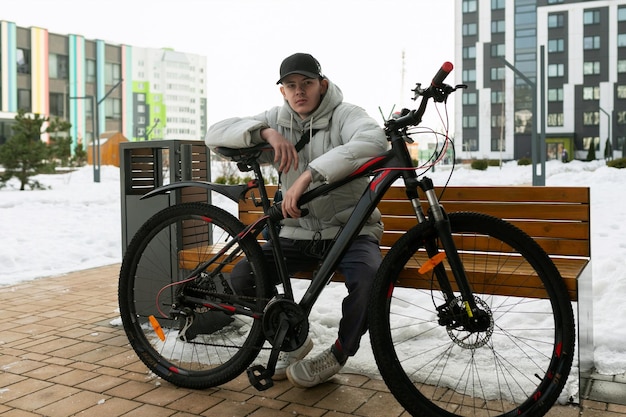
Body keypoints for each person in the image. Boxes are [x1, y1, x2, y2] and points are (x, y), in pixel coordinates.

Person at [204, 52, 388, 388]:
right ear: (283, 92)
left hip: (349, 232)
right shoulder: (277, 118)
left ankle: (337, 354)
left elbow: (375, 142)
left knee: (370, 279)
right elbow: (215, 133)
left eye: (306, 83)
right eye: (291, 85)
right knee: (244, 276)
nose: (299, 91)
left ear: (323, 85)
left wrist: (310, 175)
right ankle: (292, 341)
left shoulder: (346, 114)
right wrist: (266, 134)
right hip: (296, 233)